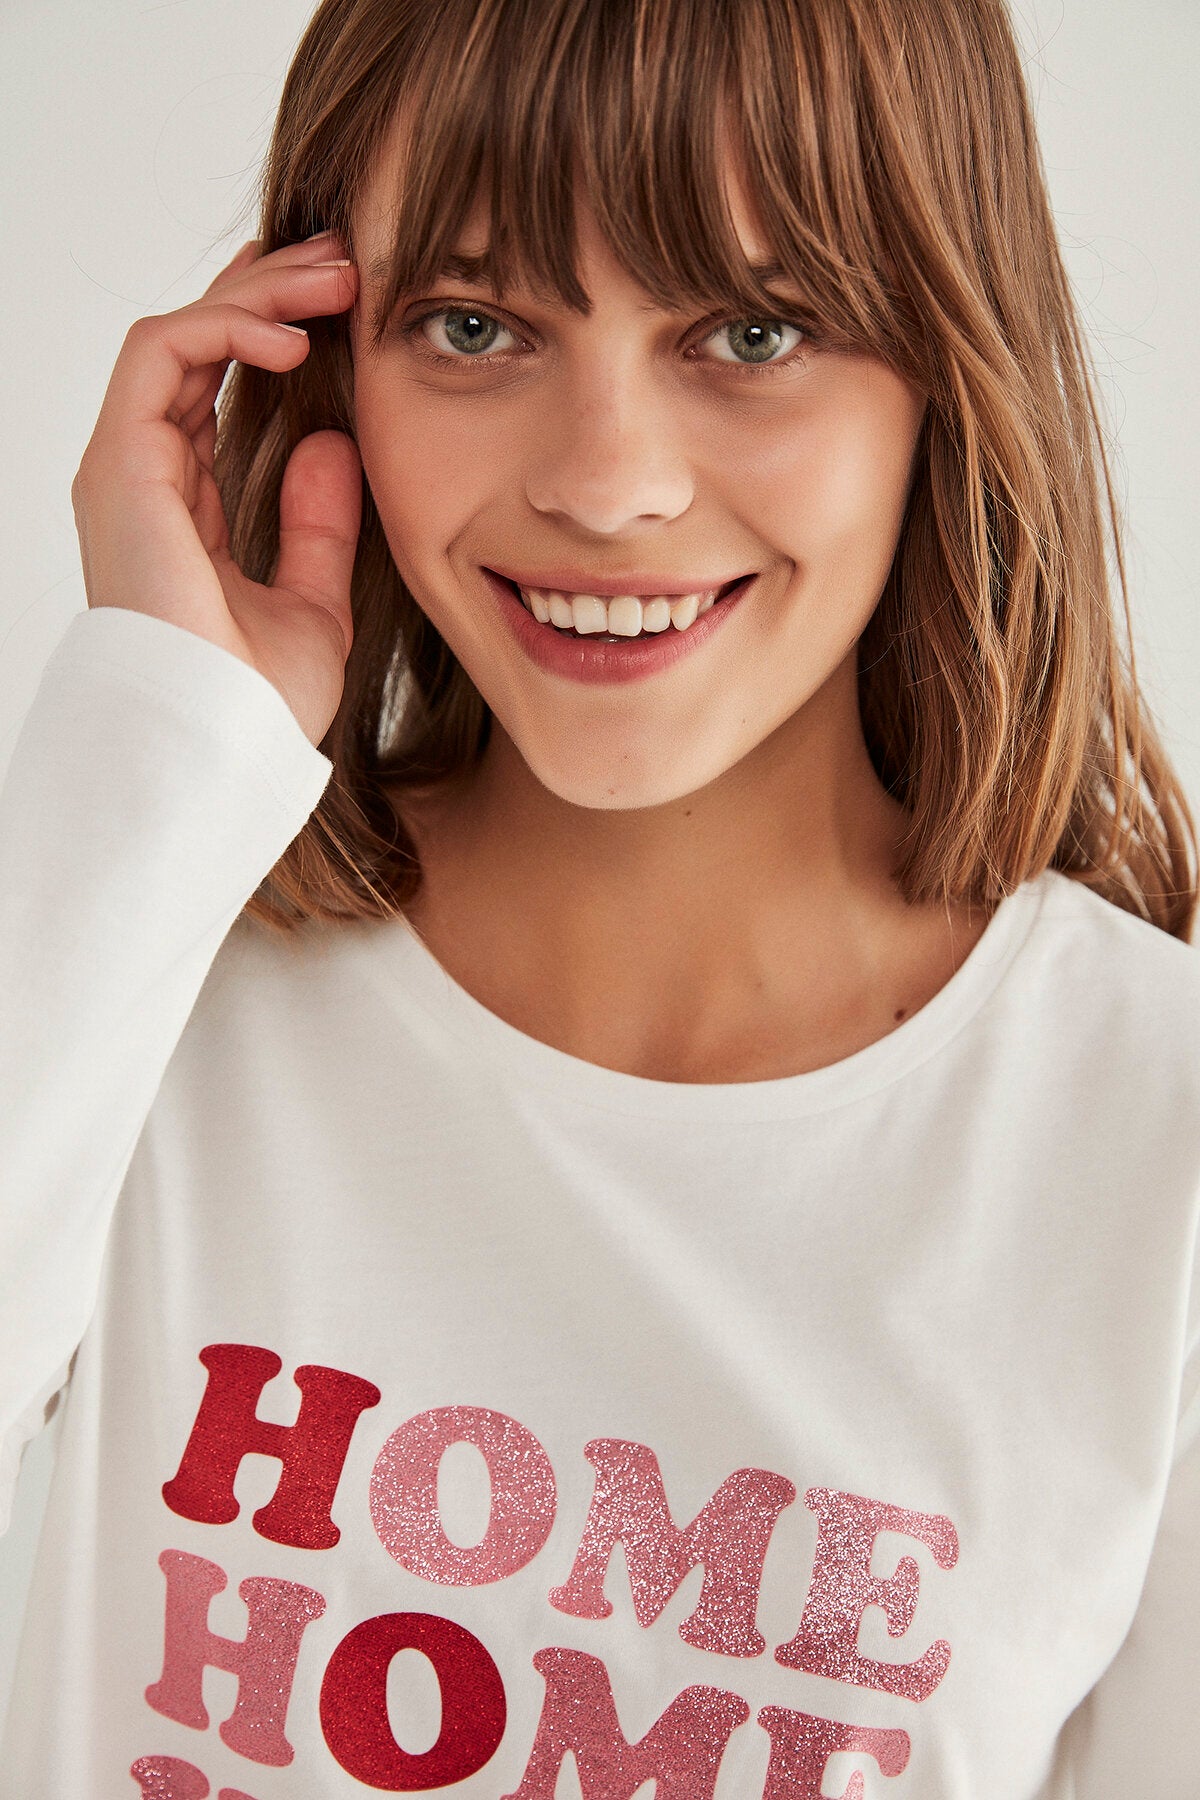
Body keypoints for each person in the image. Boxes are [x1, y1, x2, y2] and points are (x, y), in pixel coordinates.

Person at [1, 0, 1197, 1792]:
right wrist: (155, 748)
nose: (607, 485)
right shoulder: (145, 969)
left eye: (753, 332)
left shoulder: (1153, 1140)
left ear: (946, 361)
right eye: (474, 326)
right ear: (325, 354)